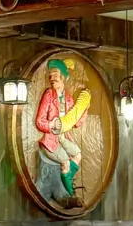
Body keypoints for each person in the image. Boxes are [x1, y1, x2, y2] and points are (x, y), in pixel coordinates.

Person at [35, 59, 91, 200]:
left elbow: (77, 123)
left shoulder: (69, 99)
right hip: (50, 141)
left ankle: (66, 178)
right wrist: (52, 124)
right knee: (65, 162)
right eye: (50, 75)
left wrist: (85, 109)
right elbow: (39, 122)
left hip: (63, 138)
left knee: (77, 155)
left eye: (55, 74)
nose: (51, 78)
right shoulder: (49, 95)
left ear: (64, 77)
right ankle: (70, 195)